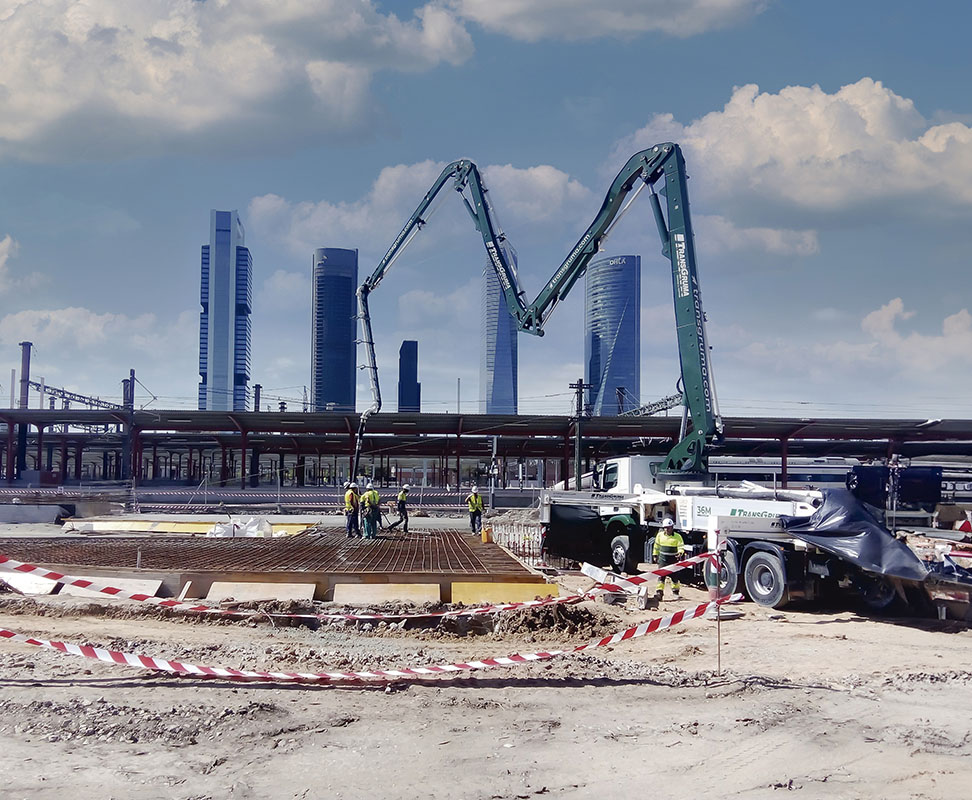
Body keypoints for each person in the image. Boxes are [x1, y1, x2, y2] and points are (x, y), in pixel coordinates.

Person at [653, 517, 685, 601]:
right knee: (661, 577)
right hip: (663, 560)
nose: (667, 529)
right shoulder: (660, 535)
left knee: (674, 578)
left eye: (669, 527)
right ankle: (659, 593)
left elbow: (681, 546)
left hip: (673, 560)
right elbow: (656, 546)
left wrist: (680, 553)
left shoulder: (677, 537)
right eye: (665, 528)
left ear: (672, 527)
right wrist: (655, 555)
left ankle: (675, 593)